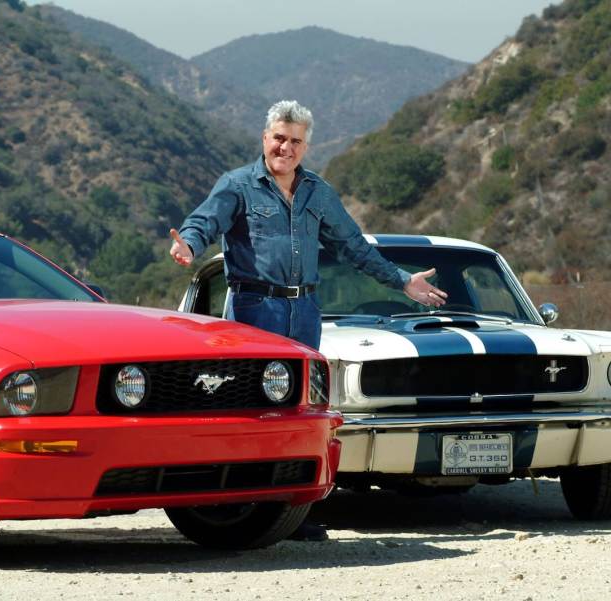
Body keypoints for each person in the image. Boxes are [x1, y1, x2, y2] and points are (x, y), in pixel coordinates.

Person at [169, 100, 447, 540]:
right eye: (279, 137)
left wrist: (401, 281)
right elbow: (205, 221)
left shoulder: (319, 192)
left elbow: (354, 246)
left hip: (305, 313)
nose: (286, 147)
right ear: (265, 138)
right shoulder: (238, 185)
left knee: (302, 412)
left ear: (306, 146)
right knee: (255, 412)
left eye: (296, 141)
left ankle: (294, 513)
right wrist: (189, 242)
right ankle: (244, 509)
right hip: (254, 310)